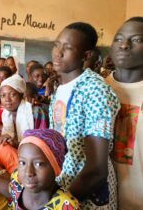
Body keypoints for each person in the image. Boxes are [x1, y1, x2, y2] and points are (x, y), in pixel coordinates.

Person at [49, 22, 120, 209]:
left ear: (86, 55)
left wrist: (61, 203)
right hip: (63, 184)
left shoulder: (95, 90)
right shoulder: (60, 89)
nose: (58, 52)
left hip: (85, 193)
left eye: (68, 47)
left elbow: (96, 169)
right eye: (56, 45)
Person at [0, 129, 80, 210]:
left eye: (39, 164)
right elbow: (11, 189)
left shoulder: (66, 206)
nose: (29, 172)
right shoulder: (19, 181)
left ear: (56, 167)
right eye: (22, 162)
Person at [105, 17, 143, 210]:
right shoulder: (98, 88)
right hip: (101, 202)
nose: (125, 45)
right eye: (119, 38)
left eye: (137, 40)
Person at [0, 74, 48, 147]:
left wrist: (18, 144)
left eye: (12, 95)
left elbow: (43, 142)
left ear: (21, 95)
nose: (7, 99)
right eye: (3, 95)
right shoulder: (5, 114)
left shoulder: (35, 112)